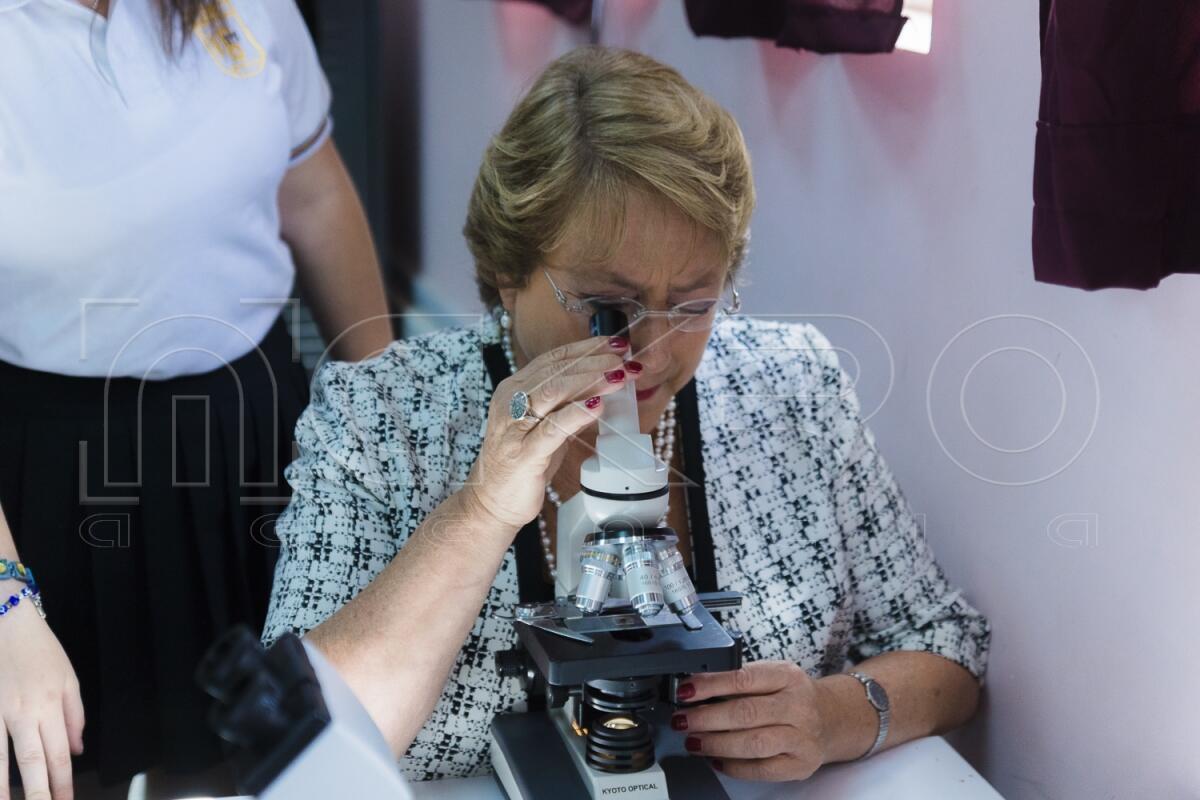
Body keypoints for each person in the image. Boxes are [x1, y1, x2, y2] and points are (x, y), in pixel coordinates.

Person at [262, 45, 991, 783]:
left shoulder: (792, 385)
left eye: (692, 304)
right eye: (607, 307)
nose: (648, 349)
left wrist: (836, 715)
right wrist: (481, 512)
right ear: (511, 273)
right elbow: (309, 732)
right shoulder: (380, 413)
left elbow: (948, 642)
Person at [0, 0, 392, 797]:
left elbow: (313, 199)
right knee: (64, 767)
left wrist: (397, 426)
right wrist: (5, 601)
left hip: (251, 437)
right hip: (43, 475)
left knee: (269, 763)